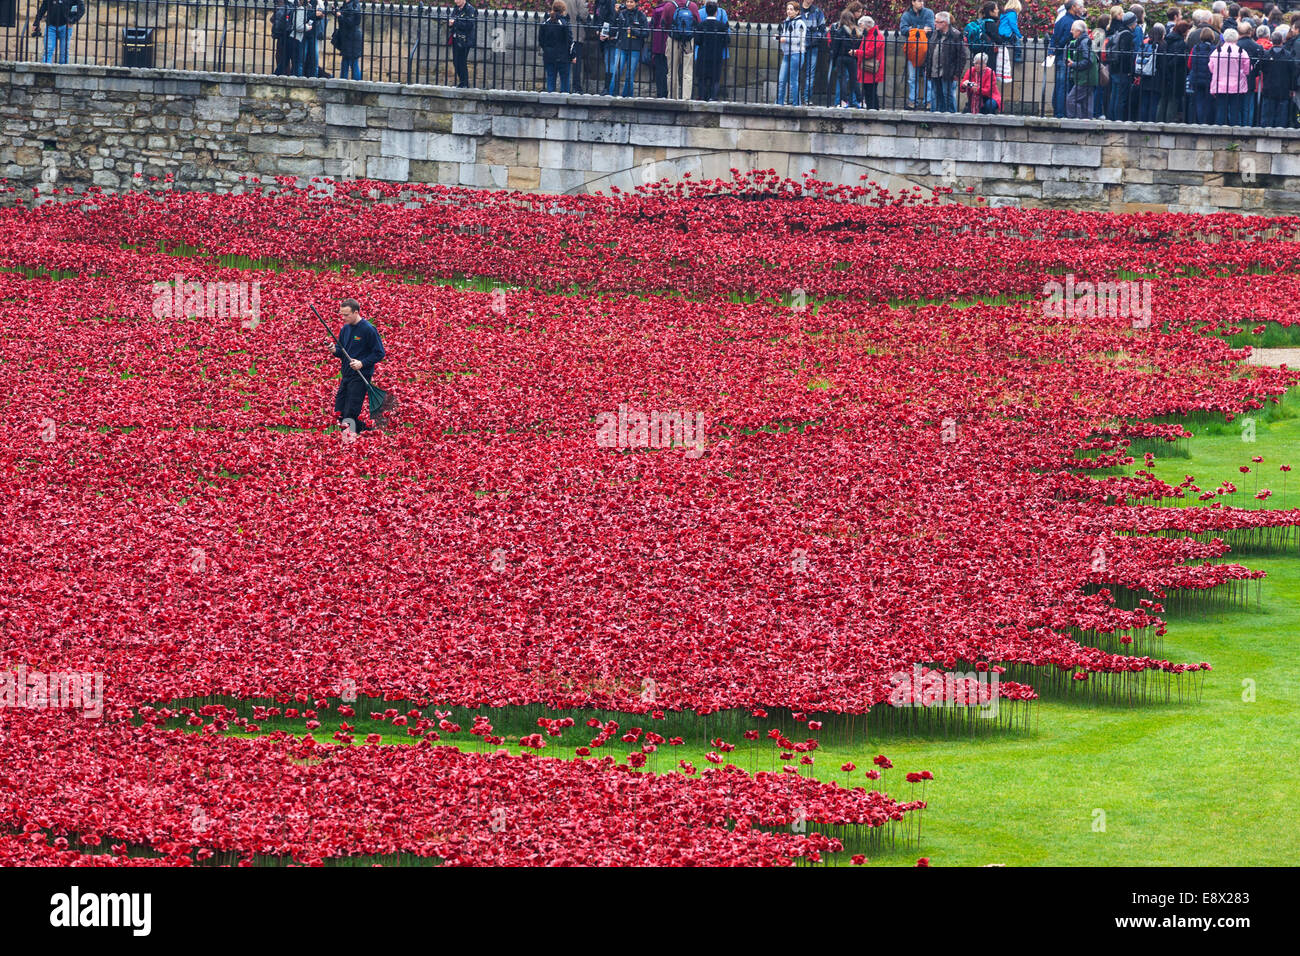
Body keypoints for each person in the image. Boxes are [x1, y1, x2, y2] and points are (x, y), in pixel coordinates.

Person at [330, 299, 385, 436]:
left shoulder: (368, 329)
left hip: (360, 376)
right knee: (339, 411)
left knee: (351, 411)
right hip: (346, 375)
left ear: (356, 312)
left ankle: (349, 441)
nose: (343, 318)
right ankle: (365, 431)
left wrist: (362, 363)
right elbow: (342, 351)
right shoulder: (345, 329)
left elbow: (379, 353)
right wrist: (333, 350)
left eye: (346, 315)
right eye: (342, 314)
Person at [923, 12, 966, 113]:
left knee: (948, 95)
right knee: (935, 95)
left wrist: (957, 73)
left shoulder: (956, 35)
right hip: (934, 70)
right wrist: (927, 67)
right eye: (935, 21)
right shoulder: (934, 34)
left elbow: (962, 56)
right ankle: (935, 116)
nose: (935, 24)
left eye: (938, 22)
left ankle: (951, 117)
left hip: (947, 72)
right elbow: (929, 52)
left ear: (945, 23)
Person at [1253, 28, 1295, 127]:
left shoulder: (1266, 55)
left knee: (1267, 116)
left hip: (1268, 88)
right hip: (1283, 89)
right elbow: (1293, 72)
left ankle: (1265, 131)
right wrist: (1292, 88)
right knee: (1282, 116)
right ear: (1282, 41)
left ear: (1272, 41)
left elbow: (1258, 69)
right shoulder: (1288, 56)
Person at [1051, 0, 1086, 117]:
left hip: (1059, 55)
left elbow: (1054, 37)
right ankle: (1061, 113)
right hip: (1066, 56)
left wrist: (1053, 50)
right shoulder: (1072, 22)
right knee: (1063, 86)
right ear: (1072, 7)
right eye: (1078, 6)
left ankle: (1057, 110)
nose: (1080, 8)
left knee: (1059, 85)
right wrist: (1058, 48)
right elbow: (1066, 39)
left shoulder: (1061, 20)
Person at [1209, 28, 1251, 125]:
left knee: (1221, 110)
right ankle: (1234, 132)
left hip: (1220, 84)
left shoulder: (1217, 51)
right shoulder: (1241, 51)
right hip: (1237, 85)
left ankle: (1219, 131)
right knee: (1235, 111)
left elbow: (1211, 67)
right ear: (1236, 38)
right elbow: (1247, 69)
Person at [608, 0, 649, 96]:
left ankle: (627, 97)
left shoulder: (641, 15)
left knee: (629, 75)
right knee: (616, 72)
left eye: (631, 2)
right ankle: (611, 95)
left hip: (634, 48)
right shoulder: (621, 13)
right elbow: (613, 28)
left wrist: (634, 31)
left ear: (636, 3)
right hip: (621, 46)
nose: (629, 4)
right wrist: (616, 13)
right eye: (627, 1)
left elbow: (646, 33)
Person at [900, 0, 936, 109]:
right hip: (913, 50)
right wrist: (921, 29)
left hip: (927, 49)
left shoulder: (929, 13)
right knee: (912, 77)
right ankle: (912, 102)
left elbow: (930, 28)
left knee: (927, 77)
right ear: (913, 2)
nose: (922, 3)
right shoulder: (906, 15)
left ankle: (928, 102)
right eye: (919, 1)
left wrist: (913, 28)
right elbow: (903, 29)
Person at [540, 1, 577, 92]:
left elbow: (541, 40)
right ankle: (564, 103)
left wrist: (547, 50)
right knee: (565, 81)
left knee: (551, 79)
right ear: (563, 10)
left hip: (549, 56)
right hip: (563, 57)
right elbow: (570, 41)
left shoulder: (545, 23)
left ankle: (550, 102)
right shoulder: (564, 23)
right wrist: (573, 55)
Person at [665, 0, 699, 99]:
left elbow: (664, 24)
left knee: (672, 71)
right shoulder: (692, 6)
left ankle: (672, 97)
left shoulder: (669, 5)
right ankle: (686, 98)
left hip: (673, 40)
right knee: (687, 71)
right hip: (688, 41)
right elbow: (698, 23)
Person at [694, 1, 728, 100]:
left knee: (702, 78)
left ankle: (702, 97)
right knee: (715, 79)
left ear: (706, 11)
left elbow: (697, 41)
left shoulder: (701, 25)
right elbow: (726, 40)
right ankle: (713, 97)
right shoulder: (721, 26)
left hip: (703, 55)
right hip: (716, 55)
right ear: (716, 12)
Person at [1159, 19, 1192, 122]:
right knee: (1173, 102)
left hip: (1164, 75)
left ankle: (1158, 122)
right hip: (1176, 76)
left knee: (1163, 100)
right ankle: (1169, 124)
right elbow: (1178, 60)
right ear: (1184, 31)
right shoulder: (1181, 43)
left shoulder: (1165, 40)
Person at [1107, 11, 1137, 121]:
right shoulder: (1127, 34)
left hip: (1114, 68)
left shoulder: (1118, 30)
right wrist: (1129, 70)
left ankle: (1111, 118)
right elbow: (1125, 55)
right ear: (1132, 23)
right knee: (1120, 98)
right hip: (1122, 71)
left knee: (1114, 96)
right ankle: (1118, 120)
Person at [1064, 18, 1097, 117]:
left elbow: (1088, 61)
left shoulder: (1084, 42)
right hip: (1088, 78)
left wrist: (1073, 64)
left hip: (1085, 78)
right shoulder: (1083, 41)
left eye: (1072, 29)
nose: (1071, 31)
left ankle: (1076, 122)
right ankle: (1085, 122)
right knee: (1086, 103)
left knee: (1071, 100)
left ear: (1078, 31)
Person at [777, 2, 808, 106]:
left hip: (797, 54)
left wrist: (785, 39)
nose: (788, 11)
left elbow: (799, 39)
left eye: (791, 9)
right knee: (781, 80)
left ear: (797, 11)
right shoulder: (786, 22)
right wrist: (778, 37)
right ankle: (779, 104)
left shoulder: (800, 23)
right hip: (786, 54)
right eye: (788, 9)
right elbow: (784, 36)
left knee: (793, 81)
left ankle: (796, 104)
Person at [826, 10, 859, 107]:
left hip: (841, 57)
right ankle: (860, 100)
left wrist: (834, 58)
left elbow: (835, 47)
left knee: (842, 79)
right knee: (854, 80)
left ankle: (843, 101)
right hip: (853, 58)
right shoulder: (856, 31)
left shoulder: (840, 31)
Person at [33, 0, 81, 66]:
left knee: (64, 52)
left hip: (65, 26)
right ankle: (46, 72)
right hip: (51, 26)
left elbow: (81, 8)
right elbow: (43, 8)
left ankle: (63, 72)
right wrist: (36, 22)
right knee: (48, 50)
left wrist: (72, 20)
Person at [800, 0, 828, 108]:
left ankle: (807, 99)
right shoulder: (798, 10)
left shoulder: (817, 12)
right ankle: (795, 98)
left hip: (813, 46)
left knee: (810, 74)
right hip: (799, 46)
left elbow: (823, 29)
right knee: (796, 72)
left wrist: (816, 38)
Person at [1136, 21, 1165, 121]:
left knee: (1144, 102)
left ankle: (1142, 121)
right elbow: (1162, 64)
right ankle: (1151, 122)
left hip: (1144, 76)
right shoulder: (1162, 45)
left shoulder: (1145, 44)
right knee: (1154, 103)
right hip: (1156, 78)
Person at [855, 15, 885, 109]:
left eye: (861, 26)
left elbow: (870, 53)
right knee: (868, 92)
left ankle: (873, 110)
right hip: (868, 68)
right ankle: (872, 109)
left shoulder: (877, 36)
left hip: (872, 68)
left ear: (867, 26)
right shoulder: (869, 34)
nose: (860, 28)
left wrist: (856, 52)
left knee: (871, 92)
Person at [1189, 26, 1216, 123]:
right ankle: (1207, 121)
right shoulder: (1214, 49)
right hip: (1209, 79)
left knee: (1199, 102)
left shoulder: (1195, 48)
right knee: (1208, 102)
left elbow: (1190, 63)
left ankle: (1200, 121)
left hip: (1196, 78)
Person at [449, 0, 477, 89]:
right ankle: (462, 81)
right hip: (456, 38)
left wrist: (455, 22)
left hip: (465, 40)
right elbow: (452, 19)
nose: (456, 1)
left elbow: (469, 25)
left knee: (462, 61)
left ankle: (464, 83)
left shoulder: (470, 9)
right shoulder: (456, 8)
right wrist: (450, 23)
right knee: (456, 61)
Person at [649, 1, 672, 96]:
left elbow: (651, 25)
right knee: (668, 69)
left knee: (659, 69)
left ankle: (660, 92)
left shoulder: (657, 9)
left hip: (658, 43)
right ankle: (668, 91)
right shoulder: (672, 8)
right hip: (669, 41)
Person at [337, 0, 363, 81]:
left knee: (353, 62)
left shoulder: (354, 5)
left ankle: (357, 84)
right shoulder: (347, 4)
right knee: (345, 61)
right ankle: (342, 81)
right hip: (347, 37)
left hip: (352, 38)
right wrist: (337, 12)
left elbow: (351, 22)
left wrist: (340, 16)